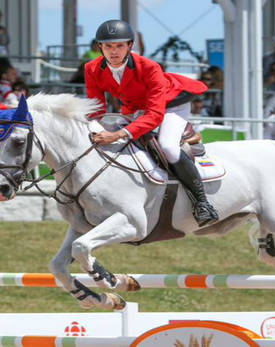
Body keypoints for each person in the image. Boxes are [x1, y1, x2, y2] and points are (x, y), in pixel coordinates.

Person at [85, 19, 219, 227]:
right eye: (108, 46)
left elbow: (155, 115)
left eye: (120, 45)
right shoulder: (91, 69)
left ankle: (202, 203)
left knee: (168, 147)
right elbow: (97, 108)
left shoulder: (149, 67)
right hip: (135, 108)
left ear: (130, 45)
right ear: (99, 47)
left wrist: (118, 134)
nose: (114, 51)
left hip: (170, 104)